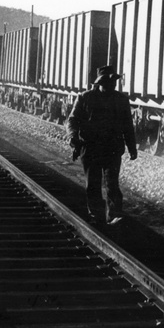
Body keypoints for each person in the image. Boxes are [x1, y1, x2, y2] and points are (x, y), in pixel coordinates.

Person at [67, 65, 137, 227]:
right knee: (93, 183)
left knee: (112, 183)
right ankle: (96, 216)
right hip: (90, 148)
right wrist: (73, 137)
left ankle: (114, 216)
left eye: (113, 83)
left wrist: (132, 147)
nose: (111, 86)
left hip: (111, 148)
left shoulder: (121, 100)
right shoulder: (85, 98)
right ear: (100, 83)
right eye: (107, 83)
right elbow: (72, 120)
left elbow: (127, 125)